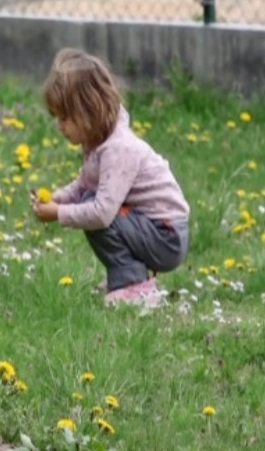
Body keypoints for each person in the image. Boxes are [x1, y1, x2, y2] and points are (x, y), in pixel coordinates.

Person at [31, 48, 190, 307]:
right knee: (88, 199)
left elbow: (102, 213)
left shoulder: (118, 148)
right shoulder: (98, 139)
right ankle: (127, 278)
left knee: (96, 213)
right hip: (151, 228)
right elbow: (85, 183)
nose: (59, 126)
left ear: (89, 111)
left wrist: (58, 213)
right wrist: (58, 198)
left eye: (65, 117)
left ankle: (133, 287)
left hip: (167, 236)